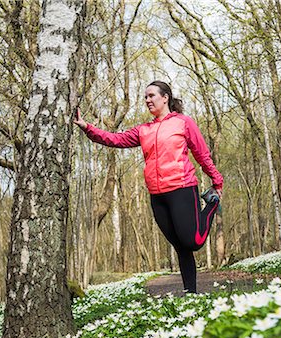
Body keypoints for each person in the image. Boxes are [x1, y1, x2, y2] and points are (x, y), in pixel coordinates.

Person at [73, 80, 223, 294]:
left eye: (151, 96)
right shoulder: (144, 130)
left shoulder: (183, 123)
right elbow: (115, 139)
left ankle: (212, 204)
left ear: (165, 97)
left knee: (193, 241)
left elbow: (202, 154)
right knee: (180, 247)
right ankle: (192, 294)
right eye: (145, 97)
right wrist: (88, 128)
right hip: (157, 196)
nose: (147, 100)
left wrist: (217, 182)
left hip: (182, 187)